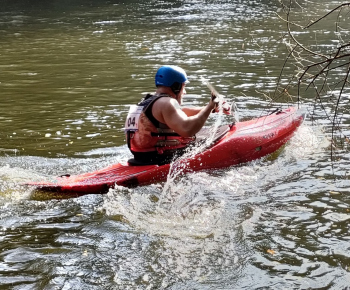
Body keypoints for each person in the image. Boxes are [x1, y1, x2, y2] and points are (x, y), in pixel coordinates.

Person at [125, 65, 230, 165]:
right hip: (161, 158)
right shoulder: (167, 102)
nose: (184, 92)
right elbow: (187, 129)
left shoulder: (146, 102)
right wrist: (209, 107)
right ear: (176, 86)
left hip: (141, 157)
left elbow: (179, 113)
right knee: (208, 136)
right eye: (183, 86)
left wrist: (213, 109)